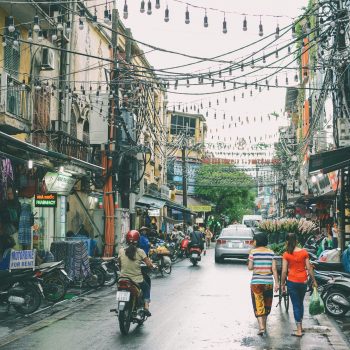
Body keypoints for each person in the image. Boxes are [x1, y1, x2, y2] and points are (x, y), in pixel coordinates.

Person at [281, 232, 317, 337]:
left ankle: (299, 330)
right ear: (296, 241)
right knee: (300, 304)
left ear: (287, 242)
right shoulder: (304, 252)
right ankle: (300, 326)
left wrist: (282, 283)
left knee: (296, 305)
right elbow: (309, 268)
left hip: (292, 281)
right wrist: (314, 280)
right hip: (303, 281)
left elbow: (283, 271)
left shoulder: (286, 254)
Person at [248, 233, 279, 336]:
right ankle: (264, 326)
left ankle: (261, 327)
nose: (253, 242)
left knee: (258, 304)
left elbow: (250, 267)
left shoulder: (253, 252)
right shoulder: (271, 252)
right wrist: (277, 283)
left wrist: (254, 264)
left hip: (256, 282)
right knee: (266, 304)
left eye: (254, 240)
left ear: (257, 241)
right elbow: (274, 269)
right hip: (268, 282)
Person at [118, 230, 154, 316]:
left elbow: (120, 264)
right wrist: (152, 266)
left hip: (123, 278)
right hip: (136, 280)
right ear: (138, 241)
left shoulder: (121, 251)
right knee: (146, 287)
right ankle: (146, 307)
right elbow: (149, 264)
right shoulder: (140, 251)